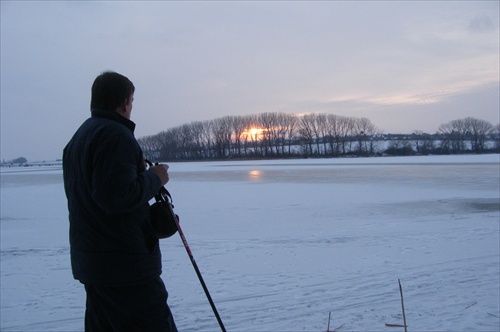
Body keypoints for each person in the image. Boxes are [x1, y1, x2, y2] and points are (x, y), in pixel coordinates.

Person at [63, 71, 177, 331]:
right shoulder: (116, 135)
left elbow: (98, 198)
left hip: (94, 263)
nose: (131, 107)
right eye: (132, 101)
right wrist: (155, 178)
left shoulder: (77, 139)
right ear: (125, 102)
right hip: (125, 267)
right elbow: (116, 197)